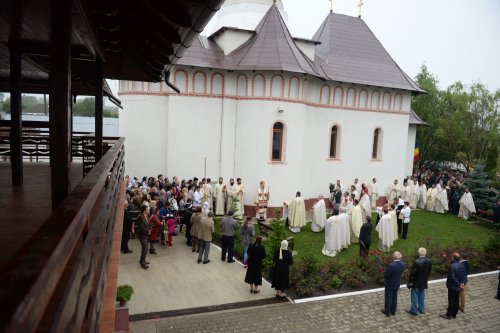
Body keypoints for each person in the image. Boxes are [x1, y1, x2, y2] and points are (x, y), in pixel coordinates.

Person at [440, 253, 467, 319]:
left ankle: (448, 315)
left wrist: (459, 284)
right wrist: (462, 283)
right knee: (456, 300)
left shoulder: (451, 266)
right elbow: (465, 275)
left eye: (451, 256)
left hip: (453, 286)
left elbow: (452, 277)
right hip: (459, 286)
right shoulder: (462, 265)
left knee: (451, 300)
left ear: (453, 258)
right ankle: (454, 314)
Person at [406, 248, 432, 316]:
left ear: (419, 253)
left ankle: (414, 310)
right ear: (425, 253)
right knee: (421, 295)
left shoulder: (416, 261)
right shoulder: (429, 261)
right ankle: (421, 309)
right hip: (423, 281)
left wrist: (410, 282)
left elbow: (413, 274)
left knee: (414, 295)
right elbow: (429, 271)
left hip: (416, 282)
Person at [382, 251, 404, 316]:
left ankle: (387, 311)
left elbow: (386, 275)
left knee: (388, 297)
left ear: (394, 257)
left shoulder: (391, 265)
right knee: (394, 297)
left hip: (390, 284)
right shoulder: (402, 264)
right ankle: (393, 311)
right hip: (397, 283)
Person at [136, 205, 151, 269]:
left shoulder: (146, 215)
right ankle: (142, 262)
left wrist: (150, 229)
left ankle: (142, 260)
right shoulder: (140, 217)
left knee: (145, 248)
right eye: (147, 209)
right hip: (142, 235)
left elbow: (149, 223)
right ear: (144, 210)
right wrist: (148, 231)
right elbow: (141, 227)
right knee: (145, 248)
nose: (148, 210)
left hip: (146, 234)